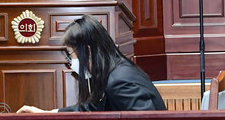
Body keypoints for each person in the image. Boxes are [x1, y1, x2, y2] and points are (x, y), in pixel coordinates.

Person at [17, 15, 166, 112]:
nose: (71, 63)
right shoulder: (111, 71)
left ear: (87, 51)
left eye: (71, 54)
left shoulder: (119, 80)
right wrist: (49, 113)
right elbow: (94, 108)